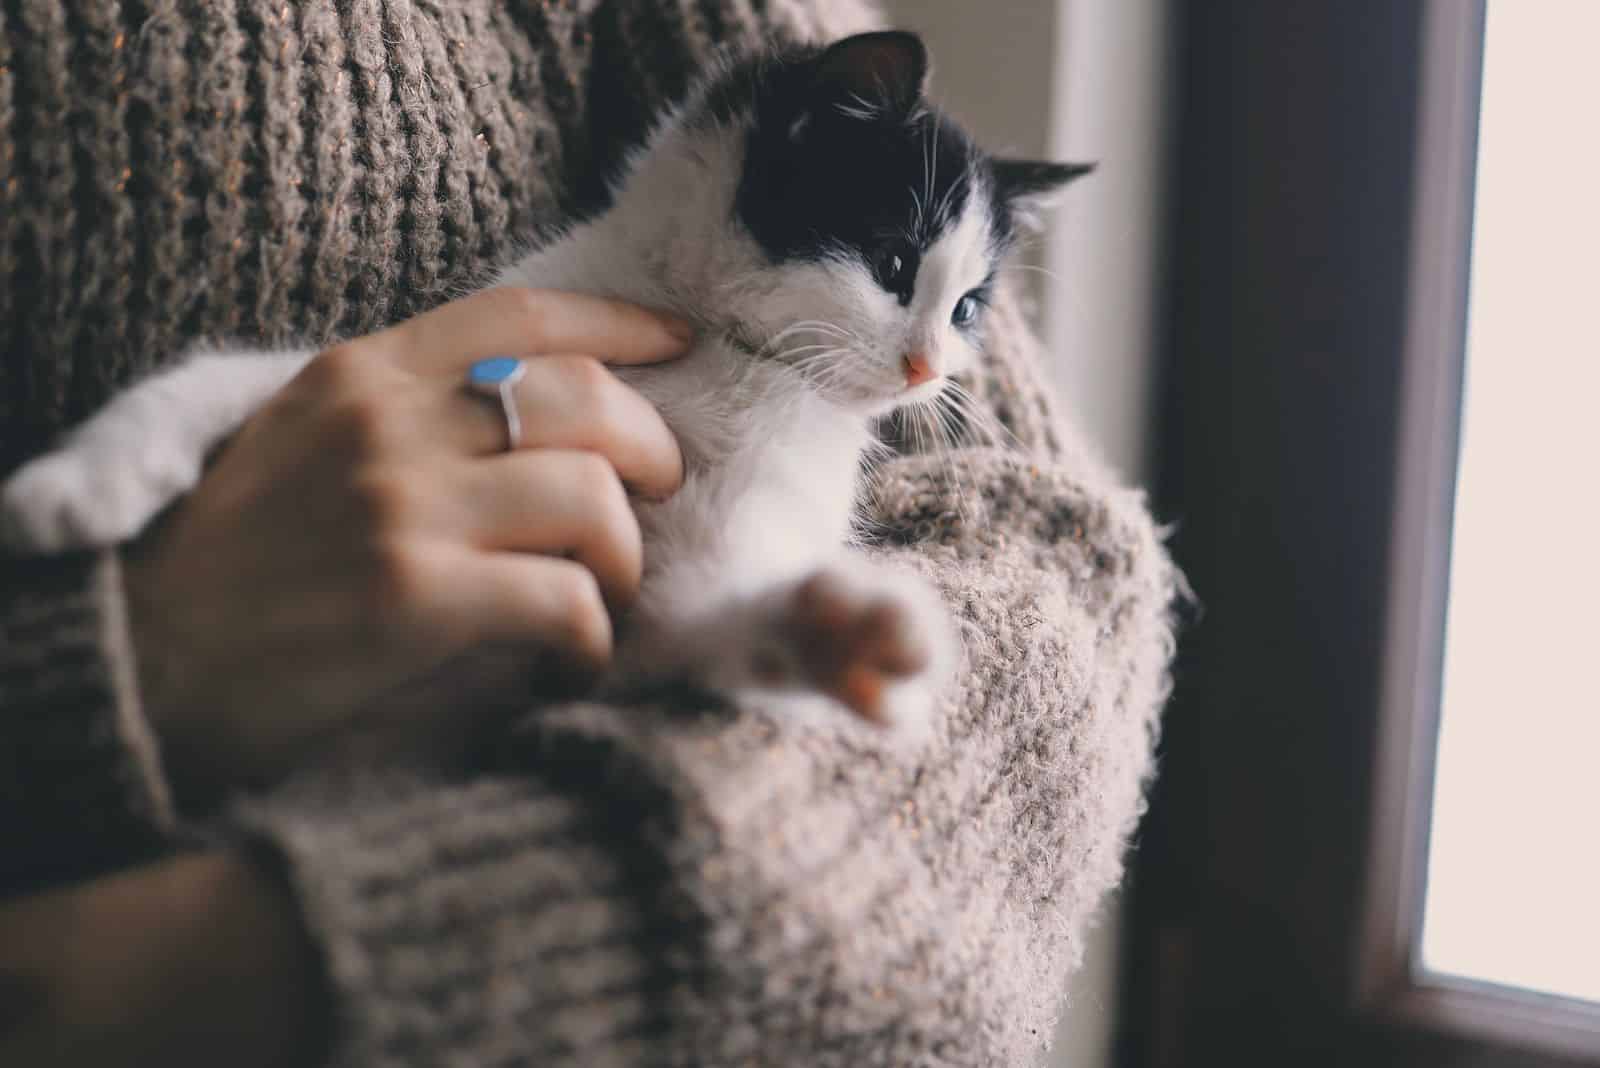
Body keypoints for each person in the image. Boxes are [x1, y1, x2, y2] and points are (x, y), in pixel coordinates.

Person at [0, 2, 1178, 1066]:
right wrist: (124, 633)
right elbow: (305, 397)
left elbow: (1059, 568)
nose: (932, 363)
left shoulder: (831, 405)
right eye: (891, 273)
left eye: (964, 311)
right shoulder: (613, 277)